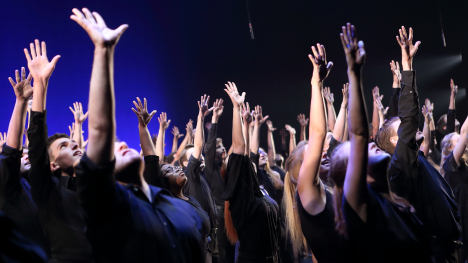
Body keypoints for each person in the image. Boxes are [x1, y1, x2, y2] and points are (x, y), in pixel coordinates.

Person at [70, 8, 204, 262]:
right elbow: (99, 131)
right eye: (113, 149)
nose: (121, 146)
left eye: (122, 144)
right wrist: (103, 51)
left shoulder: (179, 207)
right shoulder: (108, 206)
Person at [333, 23, 432, 262]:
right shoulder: (362, 207)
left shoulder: (395, 199)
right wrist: (354, 74)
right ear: (355, 174)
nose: (368, 146)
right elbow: (358, 134)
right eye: (357, 153)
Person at [374, 25, 461, 262]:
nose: (409, 125)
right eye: (402, 126)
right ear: (396, 140)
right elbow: (409, 114)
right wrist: (406, 68)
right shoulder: (400, 166)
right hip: (434, 254)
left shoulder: (416, 160)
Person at [24, 38, 95, 262]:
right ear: (52, 164)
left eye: (74, 143)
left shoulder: (98, 189)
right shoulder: (49, 192)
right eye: (63, 146)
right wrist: (40, 85)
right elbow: (36, 145)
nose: (74, 144)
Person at [296, 42, 352, 262]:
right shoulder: (309, 194)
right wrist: (315, 83)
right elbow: (319, 134)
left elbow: (335, 138)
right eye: (314, 152)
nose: (323, 152)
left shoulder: (330, 191)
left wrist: (345, 103)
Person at [222, 81, 279, 263]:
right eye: (239, 164)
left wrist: (249, 125)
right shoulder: (241, 196)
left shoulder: (255, 189)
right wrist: (236, 108)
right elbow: (240, 147)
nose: (248, 161)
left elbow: (246, 153)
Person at [0, 67, 49, 258]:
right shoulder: (8, 186)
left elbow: (38, 149)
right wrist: (20, 103)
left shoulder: (35, 186)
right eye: (23, 156)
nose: (25, 156)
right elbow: (12, 153)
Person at [178, 95, 219, 260]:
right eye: (195, 156)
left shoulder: (201, 176)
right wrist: (200, 117)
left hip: (212, 240)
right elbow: (199, 145)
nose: (200, 157)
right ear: (186, 163)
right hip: (200, 241)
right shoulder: (190, 174)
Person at [442, 116, 468, 261]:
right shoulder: (450, 165)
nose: (463, 143)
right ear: (450, 148)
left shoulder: (465, 163)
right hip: (463, 222)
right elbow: (465, 132)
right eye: (457, 142)